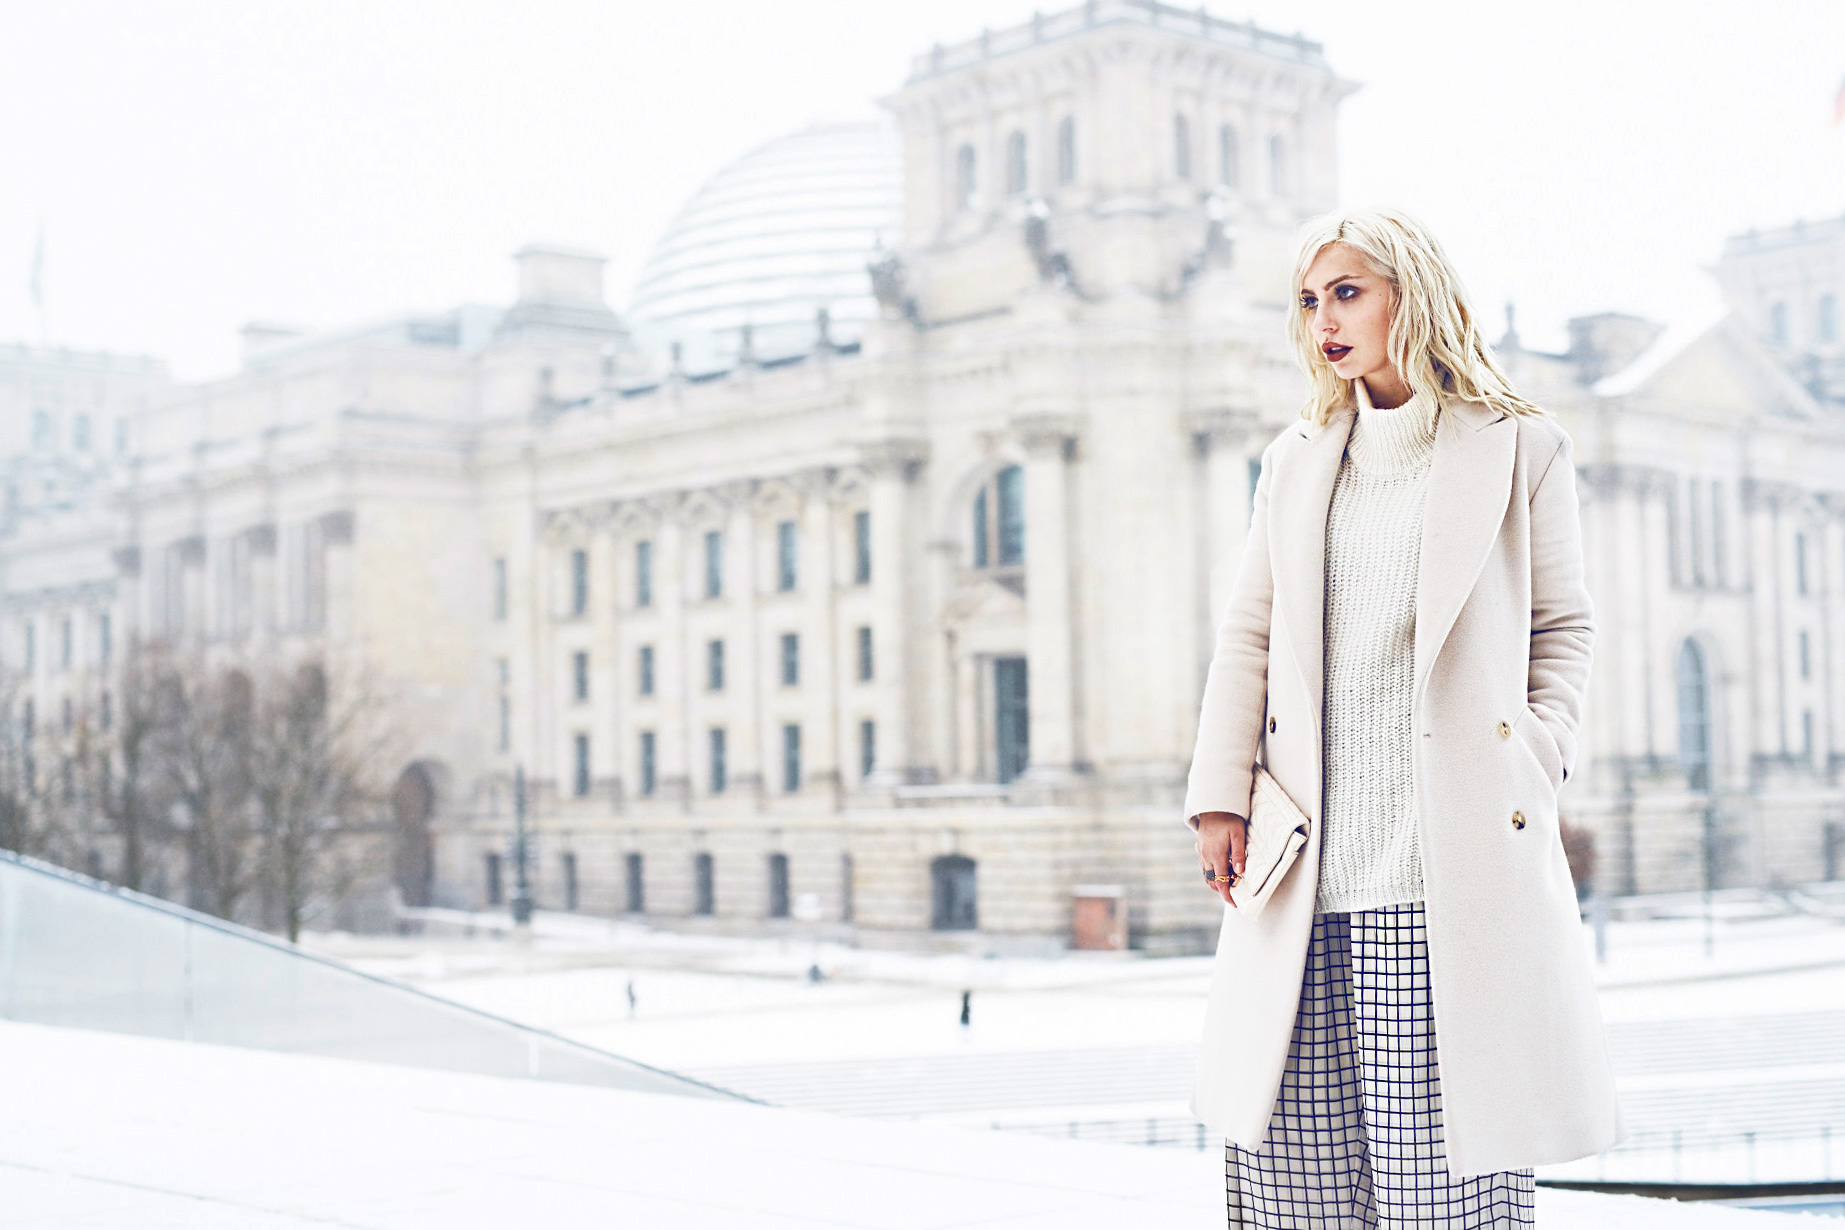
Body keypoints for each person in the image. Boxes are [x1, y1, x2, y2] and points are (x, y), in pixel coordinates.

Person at [1183, 207, 1623, 1227]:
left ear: (1408, 296)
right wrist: (1218, 798)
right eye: (1309, 298)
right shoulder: (1295, 460)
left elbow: (1563, 627)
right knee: (1294, 1178)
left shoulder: (1521, 450)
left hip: (1444, 871)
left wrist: (1533, 756)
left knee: (1443, 1188)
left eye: (1348, 292)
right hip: (1300, 866)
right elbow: (1248, 635)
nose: (1324, 319)